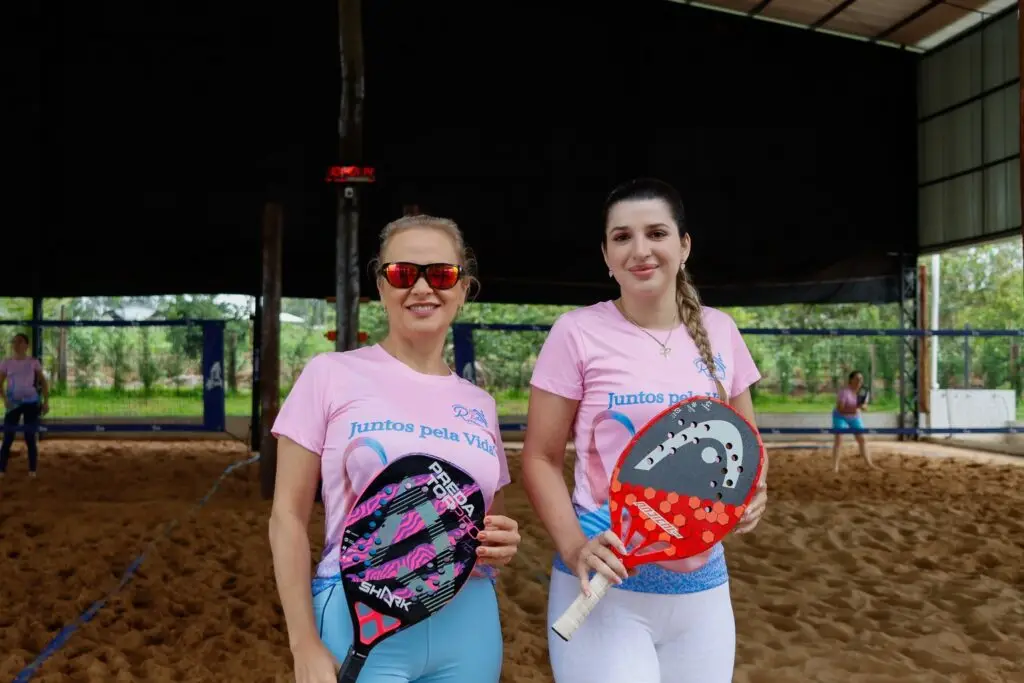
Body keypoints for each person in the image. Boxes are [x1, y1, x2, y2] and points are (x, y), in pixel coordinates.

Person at [520, 178, 768, 683]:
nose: (640, 250)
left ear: (684, 245)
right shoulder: (576, 332)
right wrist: (574, 547)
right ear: (606, 255)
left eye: (656, 233)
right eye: (622, 237)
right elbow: (540, 458)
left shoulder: (721, 330)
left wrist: (754, 491)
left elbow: (746, 446)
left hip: (703, 593)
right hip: (604, 589)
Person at [269, 215, 521, 683]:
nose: (422, 288)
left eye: (441, 274)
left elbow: (487, 517)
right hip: (358, 614)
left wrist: (502, 542)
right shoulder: (329, 375)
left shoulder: (480, 403)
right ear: (382, 287)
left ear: (463, 288)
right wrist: (302, 641)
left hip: (469, 626)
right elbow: (286, 516)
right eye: (403, 274)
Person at [0, 333, 49, 478]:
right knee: (8, 437)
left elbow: (44, 382)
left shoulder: (33, 362)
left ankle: (32, 470)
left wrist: (46, 402)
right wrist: (5, 400)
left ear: (26, 345)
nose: (16, 344)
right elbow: (0, 383)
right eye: (14, 342)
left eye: (20, 341)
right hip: (13, 404)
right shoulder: (6, 362)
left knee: (30, 436)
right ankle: (1, 469)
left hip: (31, 403)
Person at [831, 369, 877, 473]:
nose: (859, 381)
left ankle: (869, 464)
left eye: (861, 379)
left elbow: (864, 405)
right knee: (838, 439)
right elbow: (840, 409)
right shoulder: (844, 392)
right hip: (840, 416)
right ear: (851, 380)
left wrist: (863, 407)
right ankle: (835, 467)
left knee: (862, 439)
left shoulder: (864, 392)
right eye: (857, 379)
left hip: (854, 417)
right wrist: (855, 408)